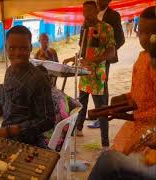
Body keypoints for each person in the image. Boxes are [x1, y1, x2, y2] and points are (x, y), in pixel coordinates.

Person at [88, 6, 156, 180]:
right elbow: (139, 95)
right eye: (142, 32)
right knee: (111, 158)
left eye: (152, 33)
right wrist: (122, 101)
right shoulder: (142, 58)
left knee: (109, 162)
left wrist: (136, 116)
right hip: (137, 126)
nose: (146, 38)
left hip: (150, 133)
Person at [0, 25, 55, 148]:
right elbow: (9, 103)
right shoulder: (9, 72)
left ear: (30, 48)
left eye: (23, 48)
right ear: (6, 49)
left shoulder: (39, 79)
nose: (17, 53)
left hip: (29, 144)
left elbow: (47, 120)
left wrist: (10, 131)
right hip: (7, 139)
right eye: (12, 48)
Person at [63, 1, 116, 149]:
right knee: (81, 103)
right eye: (83, 11)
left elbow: (111, 52)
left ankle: (105, 144)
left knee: (102, 109)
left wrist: (92, 60)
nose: (85, 14)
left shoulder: (106, 28)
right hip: (84, 74)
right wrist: (73, 59)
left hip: (98, 76)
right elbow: (83, 51)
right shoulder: (84, 28)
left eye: (89, 11)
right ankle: (78, 129)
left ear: (96, 10)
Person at [88, 0, 125, 129]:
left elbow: (121, 38)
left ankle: (102, 117)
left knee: (102, 87)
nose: (99, 0)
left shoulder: (114, 15)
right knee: (92, 87)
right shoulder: (92, 13)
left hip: (104, 59)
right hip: (90, 59)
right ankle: (98, 114)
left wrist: (108, 51)